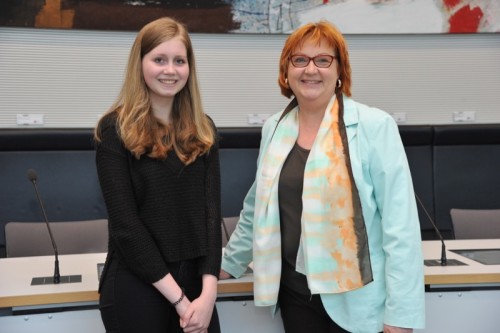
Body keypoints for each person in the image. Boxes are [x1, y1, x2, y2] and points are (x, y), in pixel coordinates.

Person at [220, 20, 425, 333]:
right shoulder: (274, 127)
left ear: (340, 70)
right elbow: (257, 207)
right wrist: (227, 265)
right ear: (286, 70)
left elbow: (401, 229)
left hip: (358, 299)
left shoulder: (374, 126)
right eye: (299, 60)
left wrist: (400, 317)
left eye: (323, 60)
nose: (310, 69)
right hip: (294, 294)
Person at [94, 17, 222, 333]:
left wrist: (208, 294)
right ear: (140, 64)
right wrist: (179, 301)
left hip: (197, 288)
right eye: (159, 59)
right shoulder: (114, 130)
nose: (170, 70)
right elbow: (126, 227)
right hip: (136, 285)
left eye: (179, 61)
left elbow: (211, 218)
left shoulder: (204, 130)